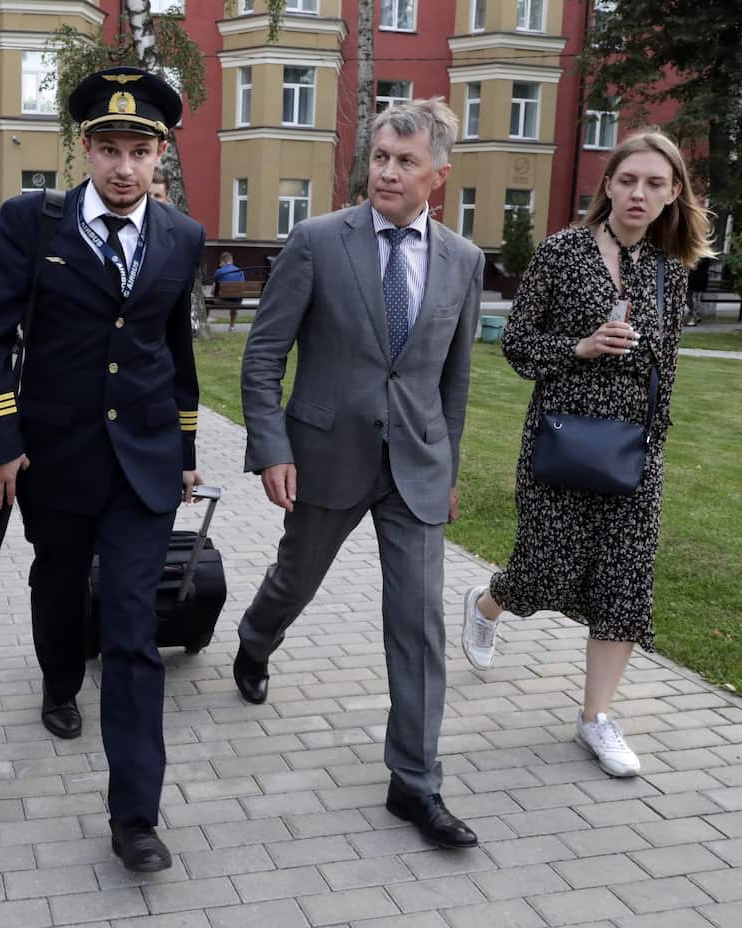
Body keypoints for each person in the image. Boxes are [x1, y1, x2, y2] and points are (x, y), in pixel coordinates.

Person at [0, 66, 205, 873]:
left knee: (134, 635)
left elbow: (175, 350)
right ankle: (59, 680)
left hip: (144, 463)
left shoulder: (182, 235)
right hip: (55, 455)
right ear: (85, 149)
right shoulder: (35, 222)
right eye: (108, 148)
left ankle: (135, 815)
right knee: (59, 583)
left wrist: (188, 451)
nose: (124, 167)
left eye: (139, 150)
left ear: (159, 153)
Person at [234, 99, 483, 850]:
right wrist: (272, 447)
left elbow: (455, 380)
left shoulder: (463, 262)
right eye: (380, 157)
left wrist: (448, 468)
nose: (387, 172)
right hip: (324, 456)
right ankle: (254, 638)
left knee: (418, 623)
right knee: (295, 579)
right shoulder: (316, 242)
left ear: (437, 175)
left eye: (405, 162)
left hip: (416, 467)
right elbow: (264, 353)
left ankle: (414, 783)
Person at [460, 131, 712, 778]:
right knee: (543, 570)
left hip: (636, 453)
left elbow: (668, 365)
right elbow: (516, 344)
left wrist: (657, 437)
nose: (639, 194)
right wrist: (580, 347)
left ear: (673, 193)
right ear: (608, 185)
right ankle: (489, 603)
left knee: (624, 586)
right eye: (629, 180)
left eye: (656, 184)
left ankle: (596, 718)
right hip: (562, 440)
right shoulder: (562, 253)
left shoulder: (669, 270)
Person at [212, 251, 245, 331]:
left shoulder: (218, 271)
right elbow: (242, 287)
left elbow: (213, 291)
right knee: (234, 299)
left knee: (205, 303)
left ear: (222, 262)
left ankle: (204, 324)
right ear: (231, 261)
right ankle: (232, 326)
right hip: (237, 301)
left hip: (222, 301)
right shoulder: (240, 271)